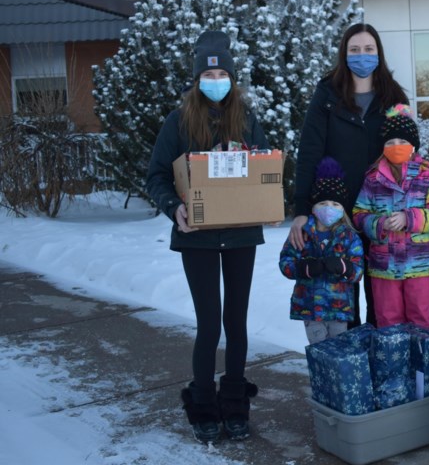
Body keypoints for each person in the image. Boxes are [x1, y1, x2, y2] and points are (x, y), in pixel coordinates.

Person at [145, 30, 266, 443]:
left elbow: (266, 169)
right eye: (208, 72)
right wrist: (172, 207)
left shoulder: (248, 119)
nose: (215, 78)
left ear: (232, 77)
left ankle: (235, 404)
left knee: (237, 321)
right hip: (195, 236)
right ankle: (202, 406)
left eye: (222, 72)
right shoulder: (178, 122)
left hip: (240, 236)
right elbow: (157, 175)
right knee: (209, 323)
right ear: (197, 78)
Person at [289, 23, 409, 329]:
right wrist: (302, 210)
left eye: (369, 49)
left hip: (381, 210)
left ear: (379, 54)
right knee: (342, 292)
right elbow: (309, 151)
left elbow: (409, 149)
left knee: (382, 294)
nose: (362, 56)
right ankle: (349, 366)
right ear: (344, 54)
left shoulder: (394, 97)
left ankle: (379, 362)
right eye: (354, 49)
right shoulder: (327, 94)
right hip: (336, 212)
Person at [352, 104, 429, 328]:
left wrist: (409, 219)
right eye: (390, 142)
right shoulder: (373, 178)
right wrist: (379, 224)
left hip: (419, 264)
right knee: (387, 319)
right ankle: (394, 363)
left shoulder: (427, 175)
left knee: (421, 318)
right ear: (382, 146)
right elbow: (359, 214)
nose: (397, 147)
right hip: (384, 265)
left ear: (413, 145)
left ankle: (424, 362)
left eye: (403, 142)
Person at [279, 157, 364, 344]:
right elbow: (286, 262)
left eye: (335, 204)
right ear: (314, 207)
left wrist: (344, 267)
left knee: (337, 352)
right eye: (323, 203)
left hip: (339, 310)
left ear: (343, 209)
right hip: (310, 308)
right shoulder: (302, 233)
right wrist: (303, 268)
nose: (329, 208)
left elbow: (358, 271)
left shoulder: (349, 237)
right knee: (319, 351)